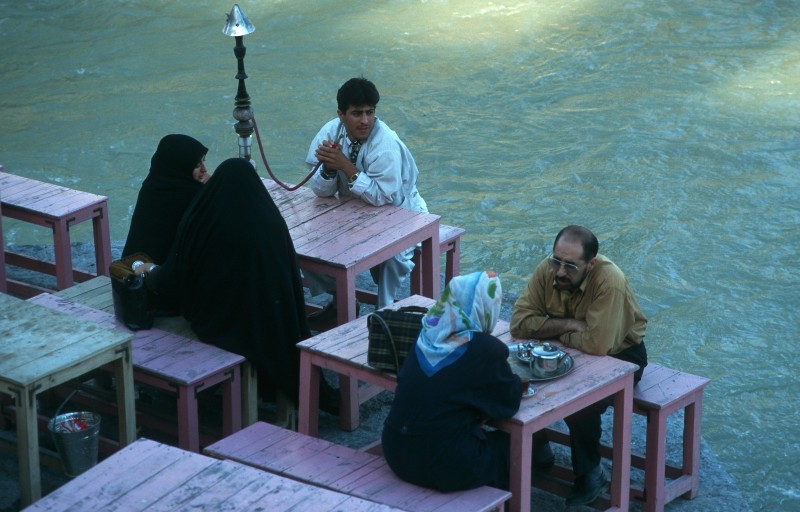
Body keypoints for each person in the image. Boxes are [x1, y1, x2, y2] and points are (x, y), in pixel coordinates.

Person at [130, 157, 333, 412]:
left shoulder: (205, 220)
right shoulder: (270, 221)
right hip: (273, 322)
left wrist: (150, 272)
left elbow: (173, 279)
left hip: (224, 327)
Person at [509, 225, 648, 507]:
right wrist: (570, 325)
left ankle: (590, 473)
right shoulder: (547, 269)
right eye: (556, 261)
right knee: (515, 378)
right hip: (566, 347)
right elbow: (520, 324)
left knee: (581, 401)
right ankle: (538, 449)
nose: (560, 272)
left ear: (591, 264)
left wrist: (547, 329)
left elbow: (598, 345)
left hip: (621, 355)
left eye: (570, 267)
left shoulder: (610, 280)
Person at [382, 271, 522, 492]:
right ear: (488, 307)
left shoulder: (426, 335)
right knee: (516, 448)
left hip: (395, 451)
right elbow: (508, 404)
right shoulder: (486, 349)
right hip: (444, 464)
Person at [305, 77, 428, 316]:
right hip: (349, 211)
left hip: (399, 211)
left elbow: (383, 197)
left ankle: (384, 314)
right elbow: (320, 191)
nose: (365, 121)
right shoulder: (329, 132)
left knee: (393, 258)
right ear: (341, 114)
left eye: (370, 112)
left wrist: (345, 166)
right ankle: (340, 297)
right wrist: (329, 168)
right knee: (307, 246)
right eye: (357, 113)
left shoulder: (386, 144)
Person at [122, 134, 210, 265]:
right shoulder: (191, 195)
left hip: (127, 271)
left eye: (204, 161)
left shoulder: (152, 185)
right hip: (157, 279)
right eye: (197, 165)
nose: (205, 169)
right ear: (182, 166)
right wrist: (209, 187)